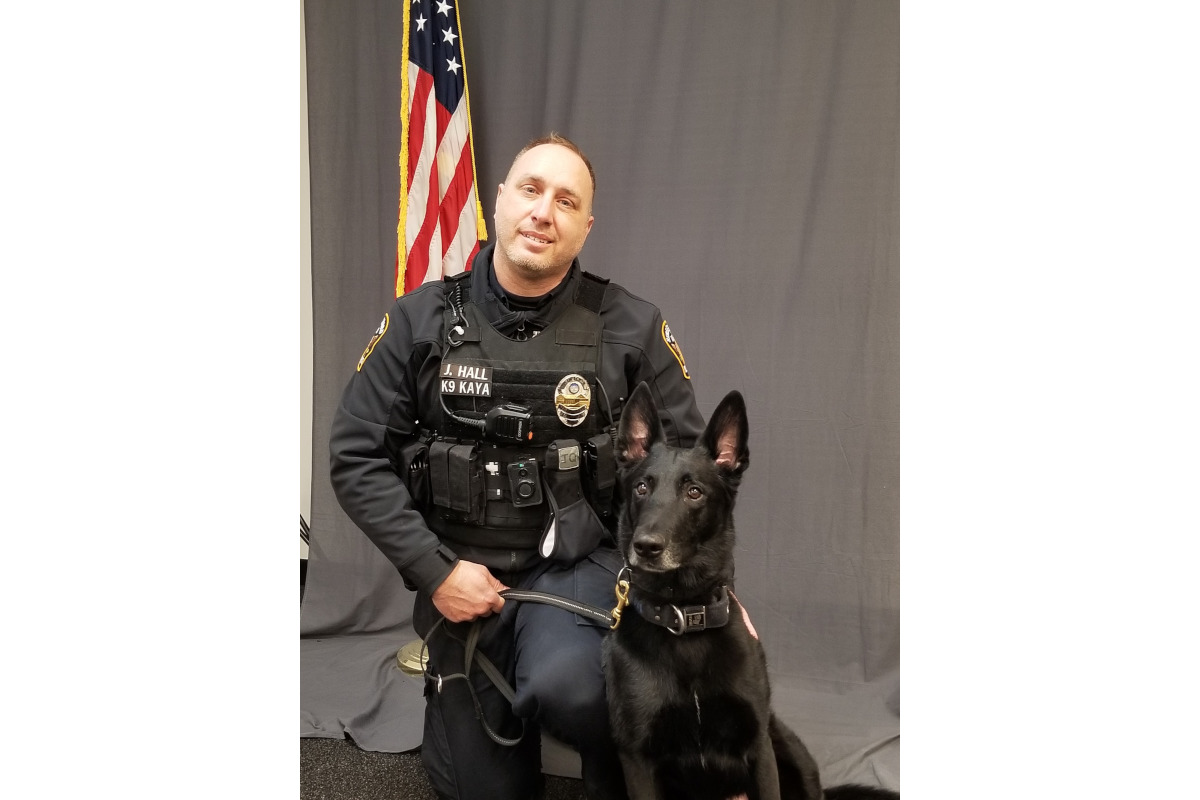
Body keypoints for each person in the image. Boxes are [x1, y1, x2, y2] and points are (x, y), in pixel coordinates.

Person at [329, 133, 704, 800]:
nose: (543, 211)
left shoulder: (631, 327)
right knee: (481, 791)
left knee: (578, 689)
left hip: (576, 571)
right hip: (458, 574)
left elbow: (693, 469)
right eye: (530, 189)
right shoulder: (419, 321)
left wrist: (709, 594)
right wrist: (434, 570)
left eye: (566, 200)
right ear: (499, 200)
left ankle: (612, 758)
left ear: (584, 226)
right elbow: (354, 456)